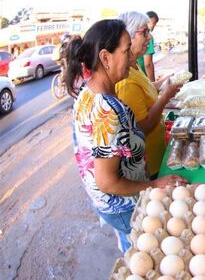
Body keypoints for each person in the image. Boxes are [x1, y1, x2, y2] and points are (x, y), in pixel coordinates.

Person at [64, 19, 188, 253]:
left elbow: (120, 140)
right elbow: (107, 181)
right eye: (126, 50)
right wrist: (155, 184)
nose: (132, 57)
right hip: (123, 206)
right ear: (105, 58)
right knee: (141, 256)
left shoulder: (89, 91)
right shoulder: (105, 110)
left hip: (111, 202)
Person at [116, 11, 182, 179]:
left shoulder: (134, 67)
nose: (149, 37)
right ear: (127, 36)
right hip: (148, 163)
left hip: (157, 153)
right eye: (144, 32)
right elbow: (142, 126)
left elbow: (145, 89)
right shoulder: (125, 80)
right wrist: (165, 96)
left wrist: (164, 82)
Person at [136, 11, 158, 82]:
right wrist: (152, 84)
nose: (154, 26)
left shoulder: (135, 36)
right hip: (143, 78)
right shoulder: (149, 38)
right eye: (153, 23)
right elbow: (148, 64)